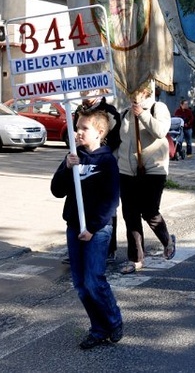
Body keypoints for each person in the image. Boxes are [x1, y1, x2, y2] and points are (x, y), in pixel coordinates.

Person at [50, 110, 123, 349]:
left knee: (94, 281)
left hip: (97, 229)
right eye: (77, 127)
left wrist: (92, 227)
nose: (78, 132)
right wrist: (65, 167)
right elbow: (57, 190)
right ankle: (98, 328)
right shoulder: (74, 155)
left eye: (84, 128)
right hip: (74, 226)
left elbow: (111, 201)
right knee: (81, 285)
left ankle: (113, 320)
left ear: (100, 133)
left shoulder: (106, 160)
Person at [117, 83, 177, 274]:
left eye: (135, 91)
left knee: (149, 210)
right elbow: (121, 141)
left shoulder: (158, 108)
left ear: (145, 92)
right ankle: (135, 259)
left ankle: (167, 240)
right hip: (127, 171)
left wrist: (142, 114)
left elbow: (160, 131)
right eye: (129, 92)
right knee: (130, 215)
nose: (131, 95)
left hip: (153, 169)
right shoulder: (125, 113)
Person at [74, 91, 121, 263]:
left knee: (107, 207)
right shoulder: (80, 110)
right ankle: (79, 242)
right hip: (83, 160)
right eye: (82, 91)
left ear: (98, 91)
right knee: (82, 201)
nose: (84, 93)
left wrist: (99, 150)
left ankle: (109, 247)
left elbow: (116, 138)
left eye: (88, 90)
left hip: (103, 159)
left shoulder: (109, 111)